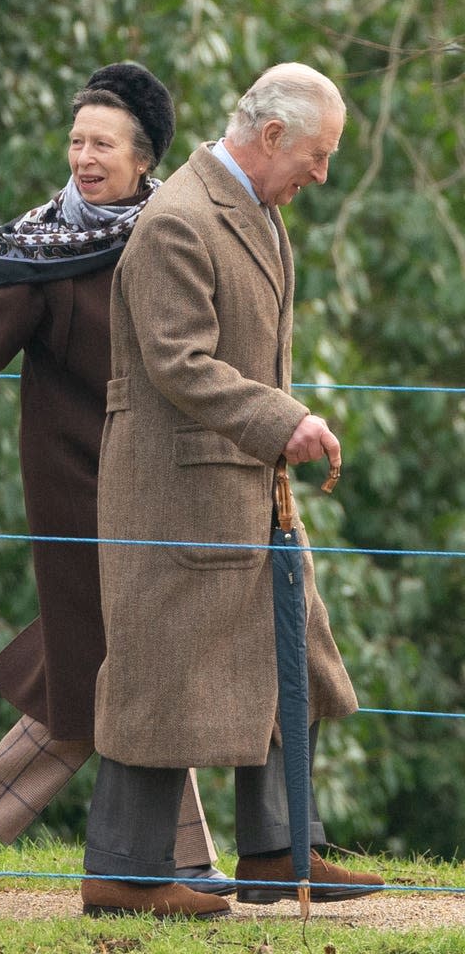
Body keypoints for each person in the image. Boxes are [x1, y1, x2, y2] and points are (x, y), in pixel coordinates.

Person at [0, 62, 231, 902]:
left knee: (121, 661)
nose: (83, 156)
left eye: (102, 142)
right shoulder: (38, 253)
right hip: (78, 492)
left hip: (162, 487)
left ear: (145, 160)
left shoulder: (170, 237)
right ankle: (174, 861)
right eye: (76, 140)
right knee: (133, 662)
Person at [80, 62, 386, 920]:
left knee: (291, 650)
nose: (322, 174)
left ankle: (279, 853)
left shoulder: (258, 211)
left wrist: (271, 431)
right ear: (274, 136)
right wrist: (280, 421)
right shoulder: (179, 219)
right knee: (157, 678)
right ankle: (122, 876)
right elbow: (180, 361)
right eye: (319, 155)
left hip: (243, 490)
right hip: (174, 497)